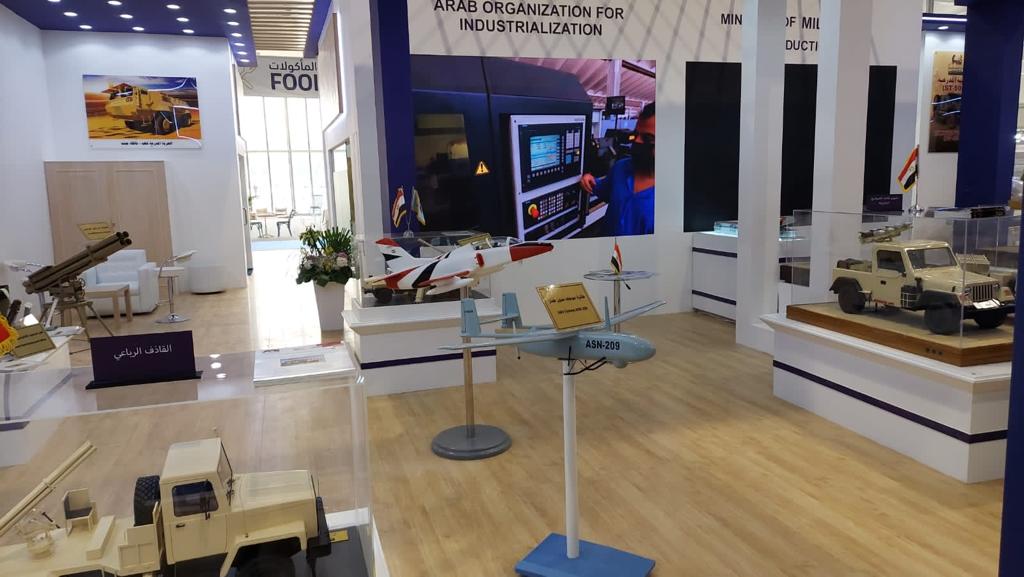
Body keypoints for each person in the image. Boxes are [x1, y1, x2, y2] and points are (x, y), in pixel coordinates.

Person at [580, 102, 655, 236]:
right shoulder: (622, 168)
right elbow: (605, 189)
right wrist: (588, 179)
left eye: (647, 138)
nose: (637, 141)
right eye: (636, 133)